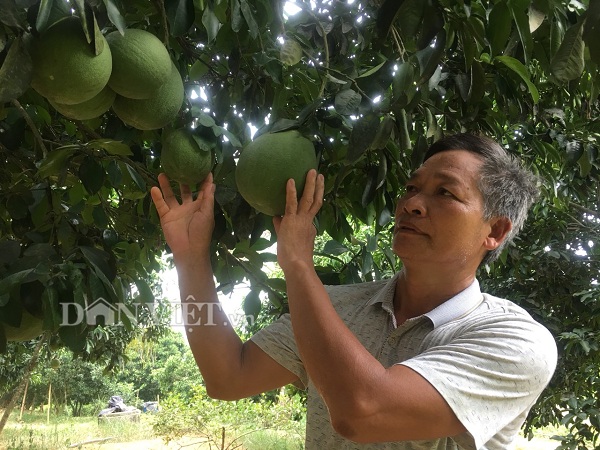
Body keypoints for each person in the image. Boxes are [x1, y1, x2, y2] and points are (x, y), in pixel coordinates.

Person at [150, 132, 557, 449]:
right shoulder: (334, 308)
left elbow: (363, 413)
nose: (412, 204)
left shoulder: (517, 342)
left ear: (496, 230)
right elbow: (227, 377)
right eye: (411, 189)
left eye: (445, 193)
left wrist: (297, 264)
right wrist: (190, 257)